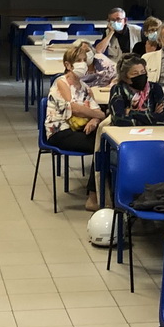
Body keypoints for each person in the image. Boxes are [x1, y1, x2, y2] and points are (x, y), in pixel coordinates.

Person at [46, 41, 107, 211]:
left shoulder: (85, 87)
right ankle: (93, 197)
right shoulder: (61, 82)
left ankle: (103, 193)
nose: (83, 64)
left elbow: (98, 112)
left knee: (106, 143)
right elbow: (74, 108)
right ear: (68, 65)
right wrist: (96, 114)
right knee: (100, 146)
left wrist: (94, 120)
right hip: (59, 131)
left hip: (80, 130)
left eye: (84, 60)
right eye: (78, 61)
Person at [107, 56, 164, 127]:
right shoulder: (118, 89)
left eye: (143, 72)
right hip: (125, 132)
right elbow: (119, 120)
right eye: (135, 73)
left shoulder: (155, 88)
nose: (140, 76)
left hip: (153, 132)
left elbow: (163, 119)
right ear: (125, 77)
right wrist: (152, 116)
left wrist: (131, 112)